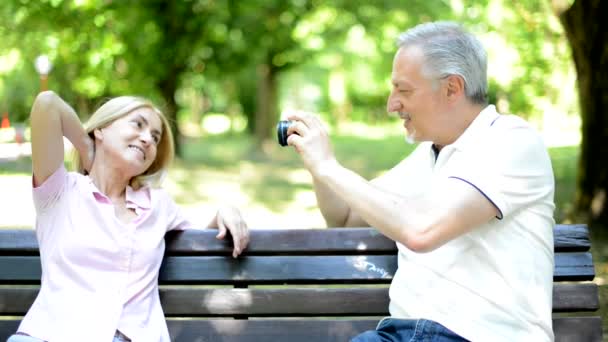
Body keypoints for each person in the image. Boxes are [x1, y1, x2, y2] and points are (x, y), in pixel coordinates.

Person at [284, 21, 555, 341]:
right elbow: (344, 218)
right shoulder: (429, 156)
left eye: (404, 90)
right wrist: (317, 163)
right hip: (403, 335)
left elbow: (421, 231)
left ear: (452, 88)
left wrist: (330, 167)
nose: (391, 104)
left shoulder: (511, 142)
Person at [7, 91, 250, 342]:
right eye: (138, 124)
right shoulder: (59, 191)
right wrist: (86, 147)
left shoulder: (157, 205)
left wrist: (226, 210)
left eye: (155, 137)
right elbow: (47, 103)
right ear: (101, 130)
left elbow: (202, 235)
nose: (147, 139)